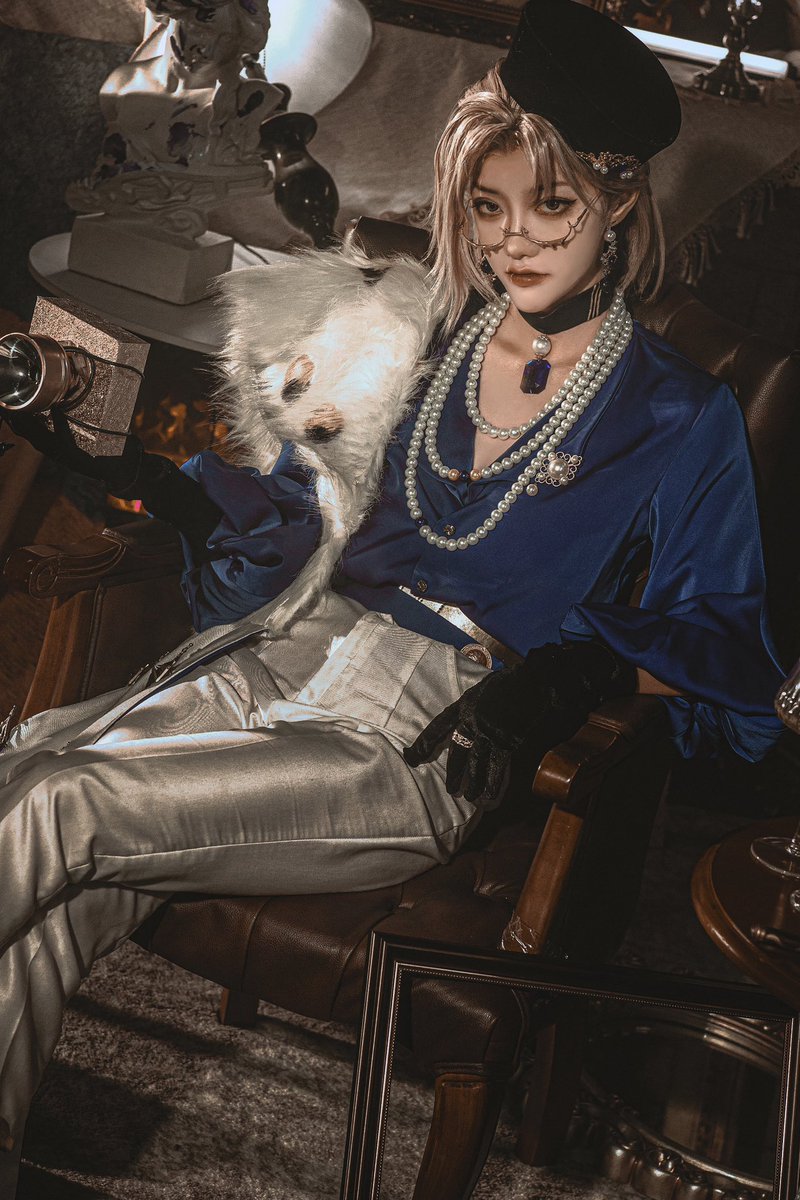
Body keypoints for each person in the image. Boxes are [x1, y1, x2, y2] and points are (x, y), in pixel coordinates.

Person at [0, 1, 785, 1193]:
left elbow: (727, 654)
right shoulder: (418, 341)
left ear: (619, 200)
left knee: (63, 800)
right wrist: (153, 484)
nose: (514, 242)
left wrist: (576, 664)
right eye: (487, 208)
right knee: (38, 818)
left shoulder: (680, 416)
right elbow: (283, 514)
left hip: (414, 736)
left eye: (551, 206)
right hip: (278, 655)